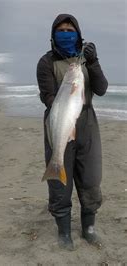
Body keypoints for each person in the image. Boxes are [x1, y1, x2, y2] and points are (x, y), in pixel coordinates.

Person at [37, 14, 108, 250]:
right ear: (53, 35)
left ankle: (88, 227)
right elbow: (47, 96)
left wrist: (94, 61)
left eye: (70, 30)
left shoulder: (86, 60)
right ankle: (64, 231)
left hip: (87, 122)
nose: (66, 34)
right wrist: (65, 96)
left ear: (78, 34)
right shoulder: (46, 62)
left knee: (90, 176)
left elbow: (101, 88)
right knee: (60, 182)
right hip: (59, 120)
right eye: (61, 30)